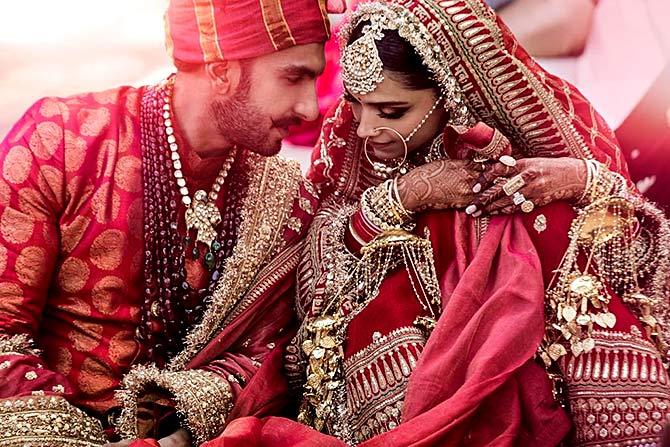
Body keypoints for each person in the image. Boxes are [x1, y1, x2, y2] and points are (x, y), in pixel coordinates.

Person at [206, 0, 670, 446]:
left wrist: (581, 178)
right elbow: (313, 274)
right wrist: (401, 197)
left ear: (452, 95)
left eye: (391, 112)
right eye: (355, 104)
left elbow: (632, 249)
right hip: (399, 384)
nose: (365, 128)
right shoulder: (359, 158)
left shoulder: (528, 174)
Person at [0, 0, 347, 445]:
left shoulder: (280, 190)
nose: (310, 109)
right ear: (222, 71)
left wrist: (176, 430)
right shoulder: (62, 141)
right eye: (293, 76)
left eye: (314, 79)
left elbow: (266, 354)